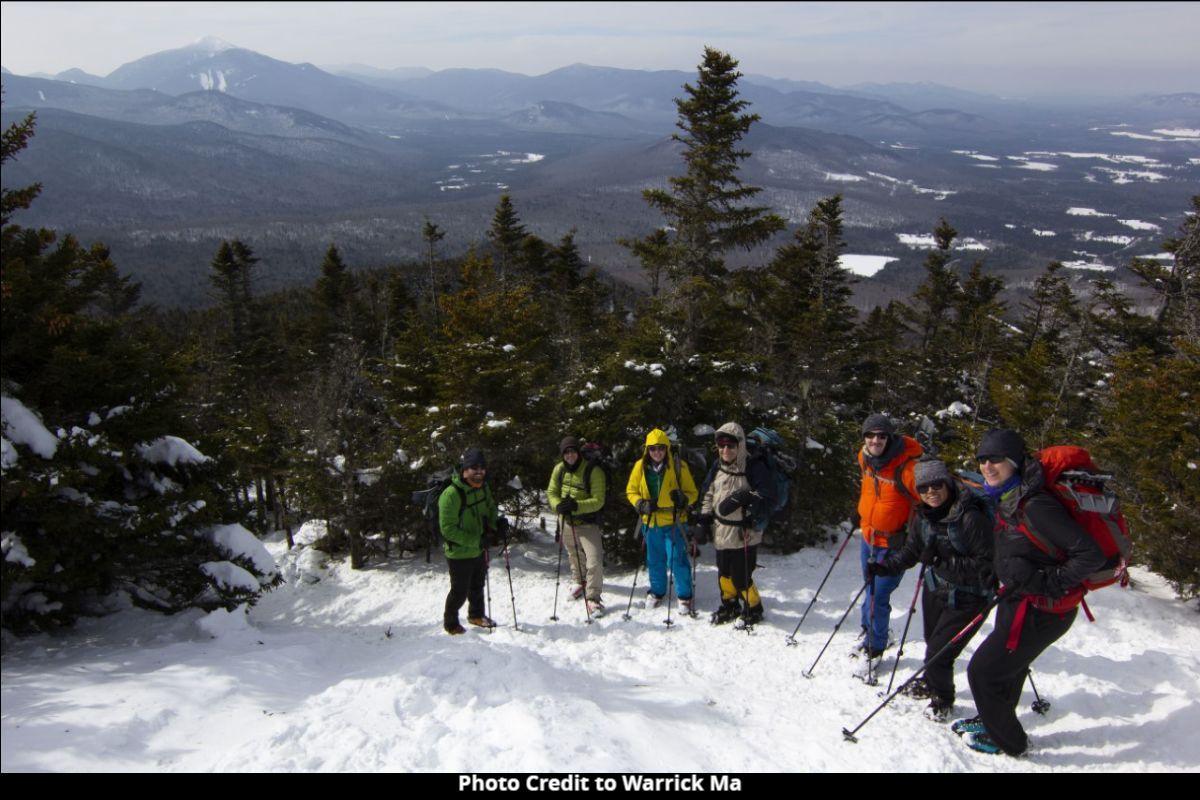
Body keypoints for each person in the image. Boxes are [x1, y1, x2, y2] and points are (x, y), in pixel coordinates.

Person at [957, 428, 1105, 756]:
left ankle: (1008, 740)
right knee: (1008, 666)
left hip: (1042, 609)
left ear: (1015, 462)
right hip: (1019, 598)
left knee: (981, 671)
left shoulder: (1036, 504)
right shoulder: (1008, 495)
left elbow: (1090, 555)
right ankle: (991, 718)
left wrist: (1045, 582)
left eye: (996, 459)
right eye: (982, 459)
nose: (987, 466)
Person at [868, 458, 995, 720]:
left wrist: (941, 560)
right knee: (933, 642)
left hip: (969, 597)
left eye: (936, 485)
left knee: (939, 650)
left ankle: (943, 699)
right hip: (936, 589)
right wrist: (885, 567)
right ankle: (931, 681)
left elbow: (986, 565)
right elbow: (912, 551)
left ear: (947, 483)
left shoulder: (970, 517)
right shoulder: (923, 517)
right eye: (923, 488)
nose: (930, 492)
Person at [854, 413, 924, 659]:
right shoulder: (864, 457)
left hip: (893, 544)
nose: (875, 440)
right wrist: (862, 516)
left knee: (878, 595)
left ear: (889, 437)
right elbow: (868, 491)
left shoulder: (908, 468)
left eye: (881, 435)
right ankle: (868, 630)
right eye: (870, 435)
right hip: (869, 538)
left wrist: (911, 539)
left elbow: (925, 506)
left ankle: (876, 646)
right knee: (869, 588)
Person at [696, 423, 775, 626]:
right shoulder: (717, 465)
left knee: (741, 576)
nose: (725, 450)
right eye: (721, 445)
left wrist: (746, 497)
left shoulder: (754, 466)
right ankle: (729, 604)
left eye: (730, 445)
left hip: (744, 532)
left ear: (739, 446)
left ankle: (753, 607)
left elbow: (767, 497)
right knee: (723, 573)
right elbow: (708, 493)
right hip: (721, 530)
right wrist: (703, 520)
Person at [625, 428, 699, 612]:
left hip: (673, 521)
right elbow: (631, 491)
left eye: (660, 448)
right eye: (652, 448)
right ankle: (657, 591)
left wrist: (683, 500)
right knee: (654, 559)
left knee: (676, 559)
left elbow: (693, 493)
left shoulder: (678, 466)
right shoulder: (639, 467)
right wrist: (640, 503)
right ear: (647, 450)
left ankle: (684, 595)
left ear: (667, 448)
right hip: (650, 522)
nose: (657, 452)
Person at [440, 447, 506, 635]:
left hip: (478, 547)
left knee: (477, 584)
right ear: (464, 469)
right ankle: (451, 623)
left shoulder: (483, 488)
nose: (479, 471)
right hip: (459, 552)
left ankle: (476, 615)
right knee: (459, 591)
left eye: (482, 468)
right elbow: (448, 529)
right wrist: (475, 541)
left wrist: (497, 524)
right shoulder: (451, 494)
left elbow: (490, 509)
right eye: (474, 468)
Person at [546, 436, 606, 612]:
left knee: (594, 560)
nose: (570, 455)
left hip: (588, 523)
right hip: (566, 521)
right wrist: (558, 505)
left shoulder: (593, 471)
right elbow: (551, 491)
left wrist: (577, 506)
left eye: (572, 451)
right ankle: (579, 581)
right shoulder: (559, 469)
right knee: (573, 553)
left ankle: (593, 596)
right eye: (566, 452)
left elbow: (599, 500)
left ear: (578, 452)